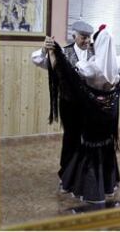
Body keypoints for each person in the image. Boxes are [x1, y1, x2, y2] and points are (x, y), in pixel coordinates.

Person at [58, 25, 120, 204]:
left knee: (88, 147)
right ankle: (108, 182)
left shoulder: (90, 68)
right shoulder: (119, 64)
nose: (90, 43)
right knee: (105, 146)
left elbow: (75, 74)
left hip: (92, 115)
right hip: (109, 115)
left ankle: (89, 185)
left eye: (93, 41)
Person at [31, 20, 95, 181]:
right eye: (83, 37)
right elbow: (39, 61)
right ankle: (66, 171)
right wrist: (45, 50)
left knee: (88, 137)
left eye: (89, 37)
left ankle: (83, 170)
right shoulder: (63, 53)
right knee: (71, 136)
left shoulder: (95, 53)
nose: (87, 41)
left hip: (89, 103)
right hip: (69, 104)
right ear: (74, 36)